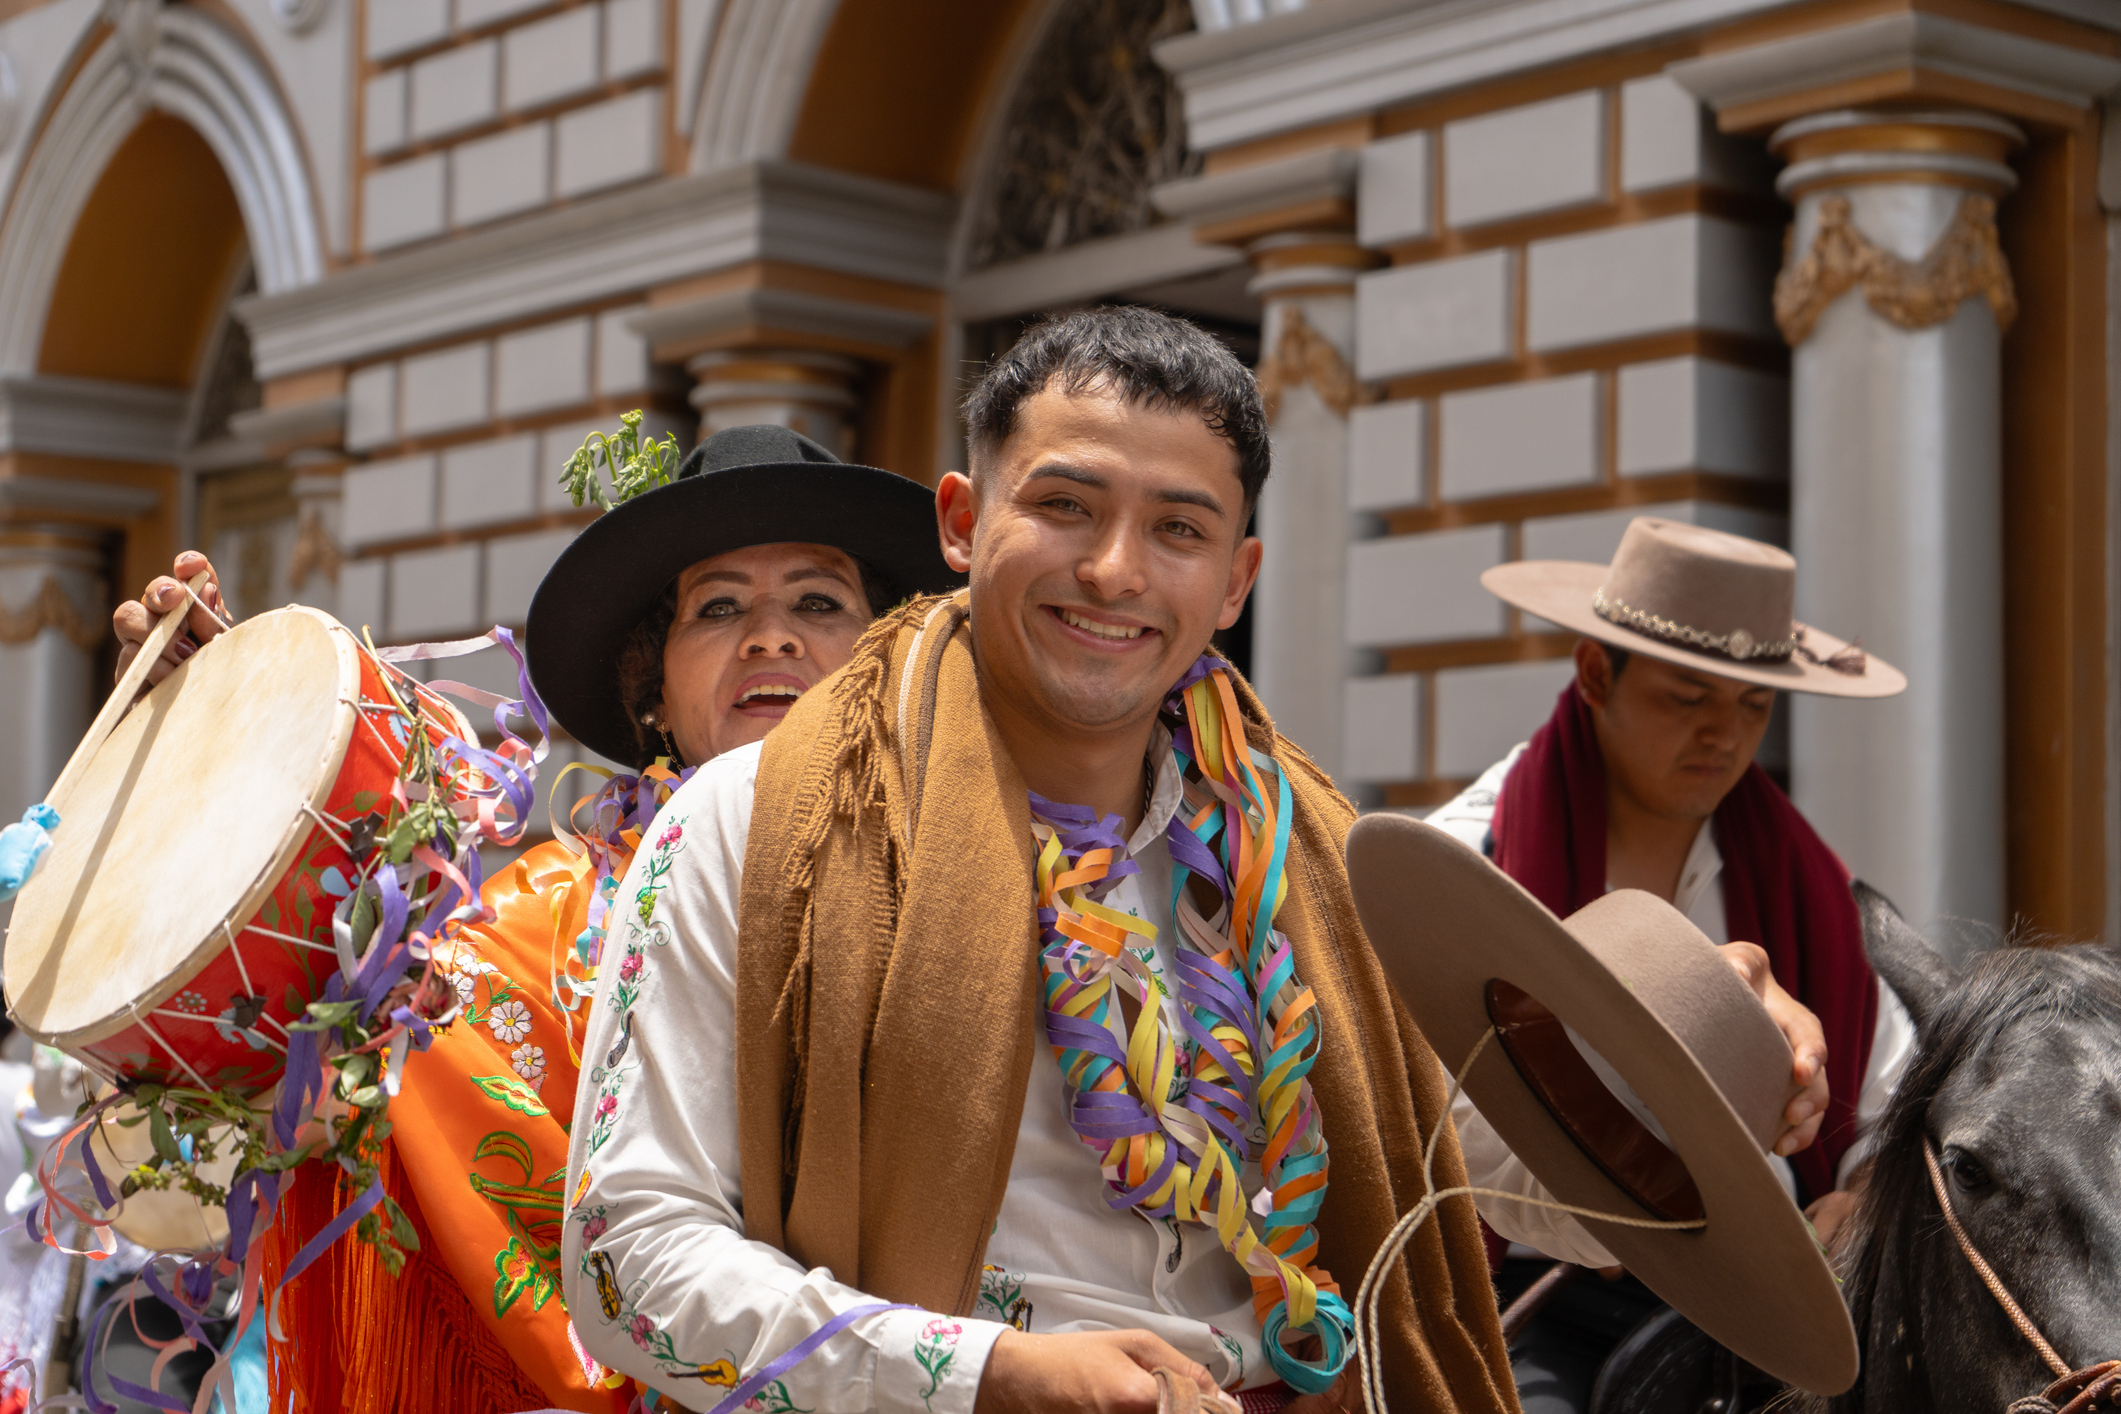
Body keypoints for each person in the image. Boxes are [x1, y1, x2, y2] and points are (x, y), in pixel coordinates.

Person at [558, 308, 1833, 1414]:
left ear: (1237, 580)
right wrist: (983, 1374)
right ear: (962, 519)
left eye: (1179, 528)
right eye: (1063, 505)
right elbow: (629, 1261)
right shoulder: (754, 820)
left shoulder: (1317, 865)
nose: (1115, 570)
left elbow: (1466, 1179)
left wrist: (1669, 1056)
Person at [108, 423, 960, 1414]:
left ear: (885, 663)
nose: (770, 634)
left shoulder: (990, 903)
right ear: (654, 692)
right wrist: (241, 764)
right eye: (719, 606)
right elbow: (322, 1056)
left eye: (818, 600)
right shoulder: (526, 930)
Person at [1428, 517, 1918, 1413]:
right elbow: (1445, 1147)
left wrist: (1861, 1203)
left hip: (1776, 1302)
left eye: (1751, 706)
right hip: (1543, 1293)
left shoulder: (1806, 880)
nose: (1722, 737)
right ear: (1593, 675)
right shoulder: (1471, 866)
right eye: (1686, 697)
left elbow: (1892, 1110)